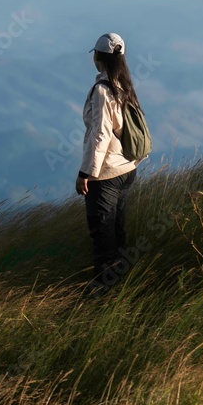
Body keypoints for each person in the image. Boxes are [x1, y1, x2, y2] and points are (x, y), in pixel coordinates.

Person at [75, 33, 143, 294]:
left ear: (98, 57)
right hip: (127, 167)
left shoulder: (102, 90)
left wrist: (86, 173)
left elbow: (100, 133)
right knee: (116, 228)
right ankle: (121, 282)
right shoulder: (124, 84)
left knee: (102, 231)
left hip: (106, 173)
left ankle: (104, 289)